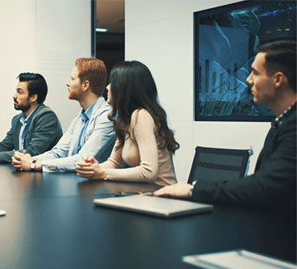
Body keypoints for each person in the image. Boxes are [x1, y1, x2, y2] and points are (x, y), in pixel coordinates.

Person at [155, 39, 296, 210]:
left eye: (255, 73)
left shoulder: (293, 125)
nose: (248, 80)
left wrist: (194, 189)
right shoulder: (282, 123)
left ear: (278, 79)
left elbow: (265, 186)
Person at [76, 61, 179, 186]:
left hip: (161, 195)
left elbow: (149, 171)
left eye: (113, 82)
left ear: (124, 88)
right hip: (143, 192)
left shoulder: (140, 116)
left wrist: (103, 173)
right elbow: (114, 163)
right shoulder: (126, 120)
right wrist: (93, 169)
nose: (108, 87)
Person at [12, 58, 115, 172]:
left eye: (72, 79)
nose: (67, 83)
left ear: (85, 85)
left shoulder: (107, 116)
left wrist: (34, 164)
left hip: (98, 188)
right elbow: (58, 152)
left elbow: (82, 160)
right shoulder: (80, 117)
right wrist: (28, 159)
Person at [0, 73, 63, 163]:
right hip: (23, 172)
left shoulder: (46, 117)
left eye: (19, 92)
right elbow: (5, 145)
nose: (14, 96)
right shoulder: (17, 119)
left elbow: (33, 152)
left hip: (44, 175)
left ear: (33, 97)